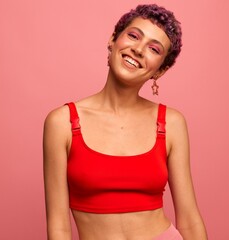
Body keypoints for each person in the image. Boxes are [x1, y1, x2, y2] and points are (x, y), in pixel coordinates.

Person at [43, 4, 207, 240]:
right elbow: (58, 227)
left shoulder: (171, 123)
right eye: (133, 36)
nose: (139, 49)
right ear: (112, 40)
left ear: (160, 71)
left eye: (154, 48)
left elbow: (189, 219)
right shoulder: (62, 123)